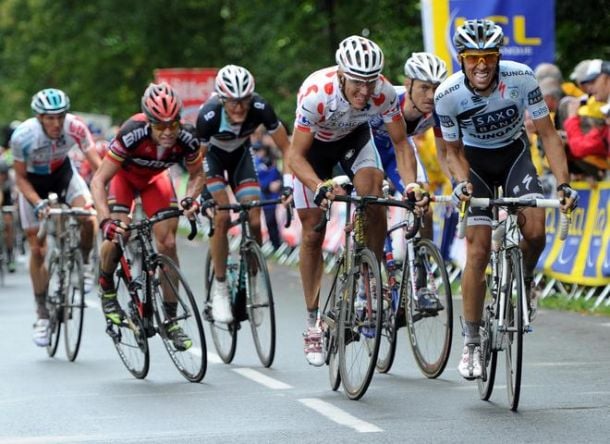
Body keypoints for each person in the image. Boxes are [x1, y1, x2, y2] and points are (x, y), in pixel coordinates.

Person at [434, 19, 578, 380]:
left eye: (488, 57)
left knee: (535, 229)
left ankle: (526, 279)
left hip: (515, 157)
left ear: (498, 57)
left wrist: (563, 184)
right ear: (461, 59)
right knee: (478, 251)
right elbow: (451, 152)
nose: (481, 65)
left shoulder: (521, 77)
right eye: (472, 58)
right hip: (475, 164)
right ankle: (470, 344)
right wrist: (462, 182)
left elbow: (546, 133)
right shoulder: (447, 95)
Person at [287, 35, 421, 366]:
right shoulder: (317, 95)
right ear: (342, 75)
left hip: (354, 141)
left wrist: (413, 184)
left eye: (370, 82)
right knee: (313, 234)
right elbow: (295, 156)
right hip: (314, 152)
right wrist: (319, 186)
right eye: (358, 83)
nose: (365, 91)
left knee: (373, 197)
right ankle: (312, 321)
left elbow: (402, 144)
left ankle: (368, 279)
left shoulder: (384, 93)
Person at [90, 82, 205, 351]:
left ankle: (171, 319)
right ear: (149, 121)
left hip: (155, 181)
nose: (167, 132)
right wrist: (106, 221)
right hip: (124, 180)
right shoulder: (131, 132)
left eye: (172, 125)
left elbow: (198, 173)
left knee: (167, 243)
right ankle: (106, 287)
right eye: (160, 126)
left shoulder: (187, 137)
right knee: (120, 232)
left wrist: (190, 198)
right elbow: (98, 180)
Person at [196, 64, 292, 324]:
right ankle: (219, 288)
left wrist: (288, 184)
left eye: (244, 101)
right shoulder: (208, 115)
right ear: (221, 99)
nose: (239, 108)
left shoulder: (261, 107)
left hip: (241, 157)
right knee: (221, 216)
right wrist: (202, 196)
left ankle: (253, 277)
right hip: (213, 160)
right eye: (233, 102)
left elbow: (287, 148)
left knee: (254, 215)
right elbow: (197, 163)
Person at [10, 88, 101, 346]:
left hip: (63, 175)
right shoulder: (23, 136)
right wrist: (38, 204)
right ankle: (41, 313)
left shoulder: (76, 128)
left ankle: (84, 265)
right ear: (39, 117)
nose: (56, 123)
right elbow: (20, 178)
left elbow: (97, 164)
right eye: (49, 118)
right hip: (33, 185)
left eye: (60, 116)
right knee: (37, 249)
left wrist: (108, 190)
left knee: (88, 217)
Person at [369, 51, 450, 310]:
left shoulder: (438, 109)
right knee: (372, 205)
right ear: (408, 84)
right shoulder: (385, 99)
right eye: (425, 88)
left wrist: (460, 184)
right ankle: (368, 280)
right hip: (367, 149)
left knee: (421, 201)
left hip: (398, 152)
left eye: (436, 88)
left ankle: (423, 279)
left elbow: (445, 152)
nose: (431, 95)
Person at [253, 141, 283, 251]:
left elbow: (280, 177)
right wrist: (267, 187)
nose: (258, 153)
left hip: (274, 198)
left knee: (273, 222)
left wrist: (279, 183)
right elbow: (255, 181)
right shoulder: (255, 164)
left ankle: (277, 245)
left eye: (259, 150)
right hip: (263, 198)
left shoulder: (272, 163)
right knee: (264, 221)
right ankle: (269, 245)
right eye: (256, 151)